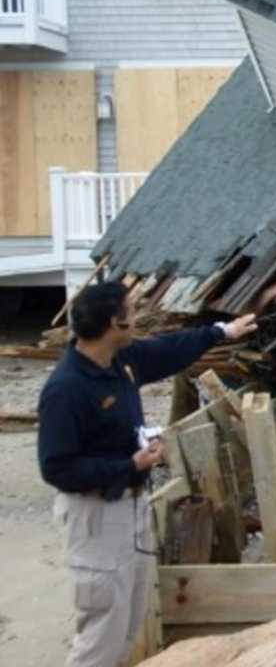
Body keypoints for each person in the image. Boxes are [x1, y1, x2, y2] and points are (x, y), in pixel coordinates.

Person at [37, 281, 257, 667]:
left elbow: (168, 351)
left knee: (127, 626)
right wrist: (129, 466)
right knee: (101, 635)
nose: (136, 319)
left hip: (131, 509)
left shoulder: (120, 361)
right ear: (114, 324)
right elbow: (56, 467)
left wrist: (221, 332)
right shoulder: (66, 389)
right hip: (96, 516)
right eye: (131, 312)